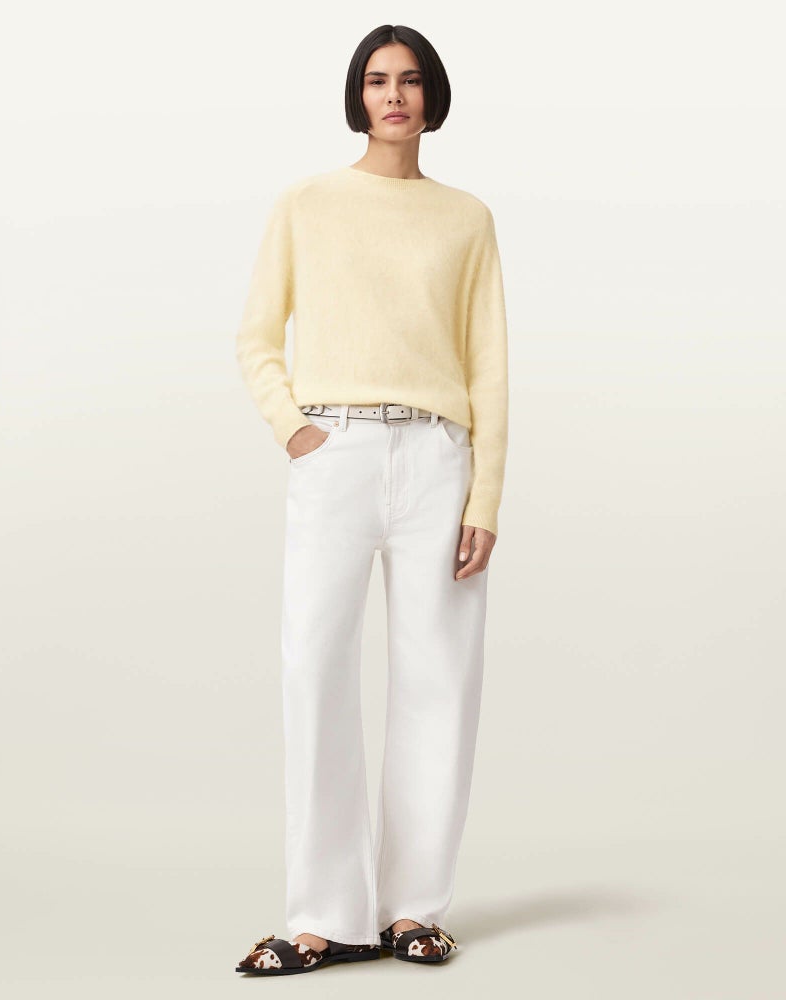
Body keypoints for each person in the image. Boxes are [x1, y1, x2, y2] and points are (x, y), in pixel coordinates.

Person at [233, 23, 509, 976]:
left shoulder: (467, 218)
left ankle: (412, 911)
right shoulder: (307, 203)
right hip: (336, 451)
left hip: (438, 457)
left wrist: (485, 495)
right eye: (379, 79)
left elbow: (489, 364)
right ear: (357, 95)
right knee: (315, 669)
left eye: (412, 80)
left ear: (433, 97)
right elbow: (256, 336)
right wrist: (295, 429)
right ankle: (321, 915)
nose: (395, 95)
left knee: (440, 679)